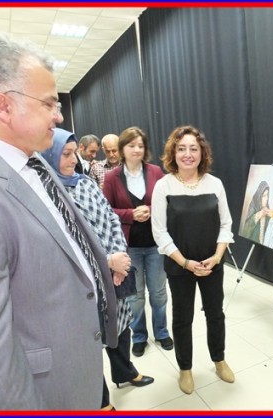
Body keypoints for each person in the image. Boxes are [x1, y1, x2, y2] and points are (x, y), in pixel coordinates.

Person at [0, 33, 117, 410]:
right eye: (49, 103)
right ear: (4, 106)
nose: (58, 116)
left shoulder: (33, 160)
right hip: (42, 393)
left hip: (75, 368)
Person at [41, 128, 155, 411]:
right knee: (91, 340)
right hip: (85, 281)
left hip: (116, 271)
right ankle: (101, 401)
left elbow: (111, 218)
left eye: (73, 154)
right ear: (49, 156)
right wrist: (107, 261)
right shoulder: (48, 192)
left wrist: (119, 257)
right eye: (65, 154)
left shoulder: (85, 182)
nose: (72, 160)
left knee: (120, 326)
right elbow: (69, 240)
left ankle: (124, 372)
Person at [151, 125, 235, 395]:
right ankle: (185, 368)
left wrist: (217, 257)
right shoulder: (163, 186)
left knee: (215, 314)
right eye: (181, 149)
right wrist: (185, 262)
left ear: (202, 153)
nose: (188, 154)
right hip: (179, 266)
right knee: (182, 317)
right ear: (173, 153)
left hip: (212, 264)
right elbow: (159, 232)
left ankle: (219, 359)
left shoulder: (215, 184)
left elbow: (226, 224)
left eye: (193, 149)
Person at [103, 127, 173, 358]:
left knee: (158, 292)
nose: (136, 150)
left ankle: (161, 332)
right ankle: (139, 336)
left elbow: (168, 201)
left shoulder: (155, 172)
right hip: (129, 246)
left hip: (155, 244)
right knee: (135, 296)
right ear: (122, 149)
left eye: (140, 145)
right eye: (131, 145)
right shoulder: (112, 177)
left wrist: (151, 209)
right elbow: (106, 211)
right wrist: (130, 214)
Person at [242, 180, 271, 245]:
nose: (267, 198)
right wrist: (259, 214)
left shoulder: (268, 210)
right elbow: (245, 232)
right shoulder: (254, 206)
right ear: (259, 196)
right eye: (264, 196)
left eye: (267, 195)